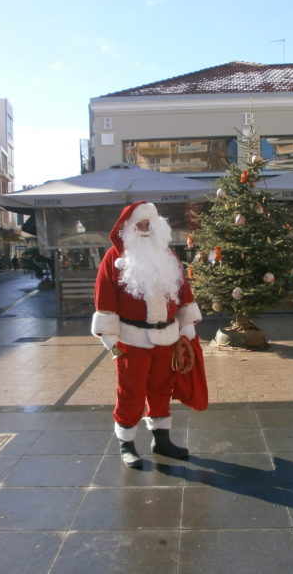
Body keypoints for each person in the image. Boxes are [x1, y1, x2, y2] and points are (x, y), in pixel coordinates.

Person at [92, 201, 203, 469]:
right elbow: (104, 297)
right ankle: (126, 444)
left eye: (148, 224)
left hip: (167, 337)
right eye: (139, 224)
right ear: (128, 228)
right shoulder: (114, 259)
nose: (144, 229)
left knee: (161, 389)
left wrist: (186, 329)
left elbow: (182, 292)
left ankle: (161, 440)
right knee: (131, 392)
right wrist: (110, 338)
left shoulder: (167, 255)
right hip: (131, 339)